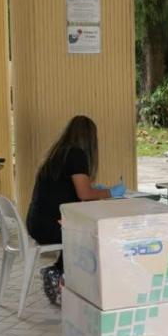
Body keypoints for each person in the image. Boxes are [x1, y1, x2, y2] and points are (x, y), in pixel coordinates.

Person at [26, 115, 125, 305]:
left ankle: (58, 272)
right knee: (91, 235)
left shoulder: (58, 153)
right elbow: (84, 194)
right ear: (89, 138)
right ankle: (66, 277)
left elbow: (73, 189)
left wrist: (98, 190)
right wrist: (110, 193)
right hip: (49, 226)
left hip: (37, 222)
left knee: (80, 228)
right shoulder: (76, 154)